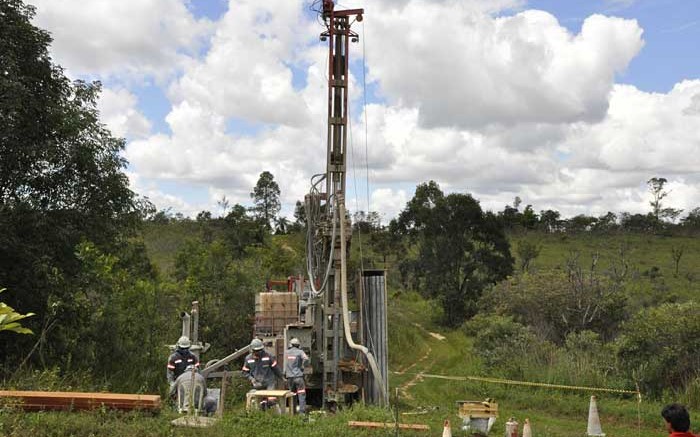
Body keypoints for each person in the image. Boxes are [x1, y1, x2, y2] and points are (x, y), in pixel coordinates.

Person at [241, 338, 283, 410]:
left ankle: (276, 416)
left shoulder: (269, 356)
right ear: (252, 350)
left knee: (271, 401)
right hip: (257, 383)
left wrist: (282, 377)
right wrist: (251, 379)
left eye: (259, 350)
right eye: (256, 351)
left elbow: (276, 368)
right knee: (257, 403)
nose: (258, 352)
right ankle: (260, 416)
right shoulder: (248, 359)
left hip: (270, 382)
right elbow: (245, 372)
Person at [284, 337, 310, 414]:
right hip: (298, 377)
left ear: (291, 345)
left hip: (289, 378)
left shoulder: (286, 352)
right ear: (298, 345)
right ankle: (302, 413)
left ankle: (292, 412)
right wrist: (302, 366)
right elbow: (306, 359)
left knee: (292, 395)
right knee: (301, 394)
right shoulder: (300, 352)